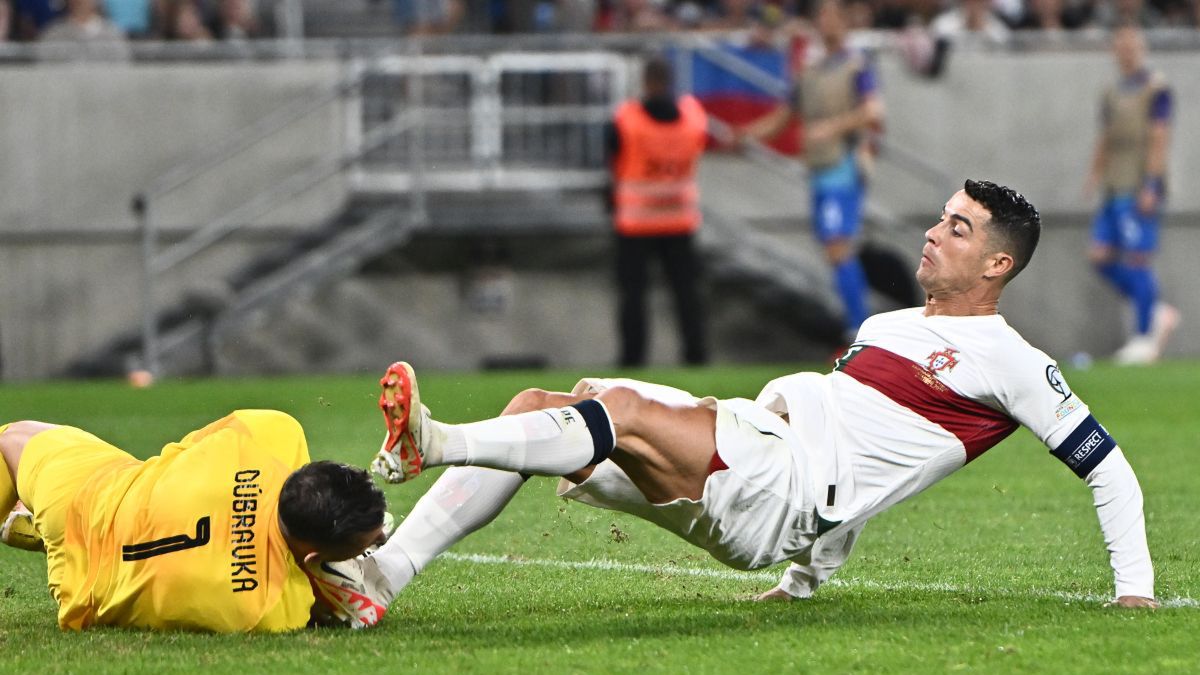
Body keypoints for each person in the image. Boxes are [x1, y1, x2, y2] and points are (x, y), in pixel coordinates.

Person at [308, 179, 1159, 629]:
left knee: (623, 410)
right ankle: (383, 579)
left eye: (959, 228)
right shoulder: (889, 323)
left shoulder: (1014, 361)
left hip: (776, 488)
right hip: (758, 453)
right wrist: (803, 581)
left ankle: (433, 441)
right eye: (941, 218)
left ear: (999, 266)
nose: (933, 233)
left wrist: (1135, 591)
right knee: (537, 401)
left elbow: (1109, 468)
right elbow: (869, 453)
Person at [0, 409, 389, 631]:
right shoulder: (269, 611)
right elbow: (340, 606)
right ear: (313, 558)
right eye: (369, 543)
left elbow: (187, 450)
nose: (379, 541)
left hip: (82, 501)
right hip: (83, 594)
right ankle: (39, 529)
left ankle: (36, 521)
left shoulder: (271, 434)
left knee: (13, 439)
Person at [737, 0, 884, 344]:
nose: (826, 21)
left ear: (845, 21)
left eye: (832, 15)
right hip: (818, 167)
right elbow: (785, 115)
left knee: (837, 245)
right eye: (822, 15)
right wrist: (747, 133)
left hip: (843, 165)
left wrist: (832, 127)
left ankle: (859, 329)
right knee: (832, 248)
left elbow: (872, 110)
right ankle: (857, 325)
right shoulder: (809, 68)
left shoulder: (856, 64)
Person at [1084, 25, 1178, 365]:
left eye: (1131, 46)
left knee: (1138, 259)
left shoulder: (1156, 89)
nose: (1125, 52)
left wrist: (1151, 183)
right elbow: (1106, 136)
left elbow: (1159, 137)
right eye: (1120, 46)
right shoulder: (1111, 91)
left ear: (1141, 49)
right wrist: (1095, 174)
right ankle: (1154, 310)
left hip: (1138, 185)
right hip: (1114, 184)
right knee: (1100, 256)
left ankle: (1144, 335)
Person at [608, 56, 710, 367]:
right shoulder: (693, 117)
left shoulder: (627, 119)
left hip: (635, 223)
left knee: (633, 296)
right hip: (679, 219)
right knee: (686, 294)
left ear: (646, 82)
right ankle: (696, 356)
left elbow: (611, 160)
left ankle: (632, 359)